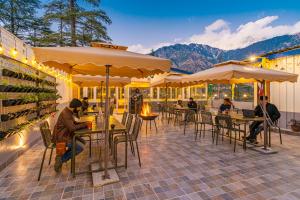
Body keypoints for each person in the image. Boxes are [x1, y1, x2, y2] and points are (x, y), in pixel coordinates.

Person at [52, 98, 88, 172]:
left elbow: (73, 123)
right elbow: (72, 128)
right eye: (78, 108)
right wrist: (84, 124)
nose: (78, 110)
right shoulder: (66, 114)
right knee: (79, 148)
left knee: (83, 142)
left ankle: (61, 155)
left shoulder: (68, 112)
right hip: (62, 137)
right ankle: (61, 159)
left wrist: (83, 124)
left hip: (66, 135)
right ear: (74, 107)